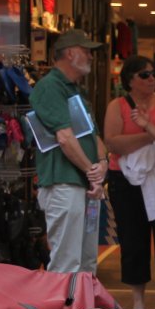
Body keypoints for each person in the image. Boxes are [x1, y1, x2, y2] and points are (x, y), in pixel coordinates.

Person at [102, 54, 155, 309]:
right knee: (133, 240)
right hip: (124, 180)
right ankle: (138, 303)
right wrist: (150, 135)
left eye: (154, 73)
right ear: (130, 80)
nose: (152, 78)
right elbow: (113, 143)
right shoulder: (117, 106)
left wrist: (143, 132)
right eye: (144, 74)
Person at [30, 28, 107, 274]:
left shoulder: (75, 90)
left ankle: (79, 301)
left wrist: (102, 163)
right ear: (71, 53)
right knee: (67, 263)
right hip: (64, 183)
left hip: (83, 184)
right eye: (86, 51)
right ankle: (64, 302)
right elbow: (64, 137)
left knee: (86, 262)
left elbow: (93, 135)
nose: (91, 57)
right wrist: (92, 171)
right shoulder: (50, 86)